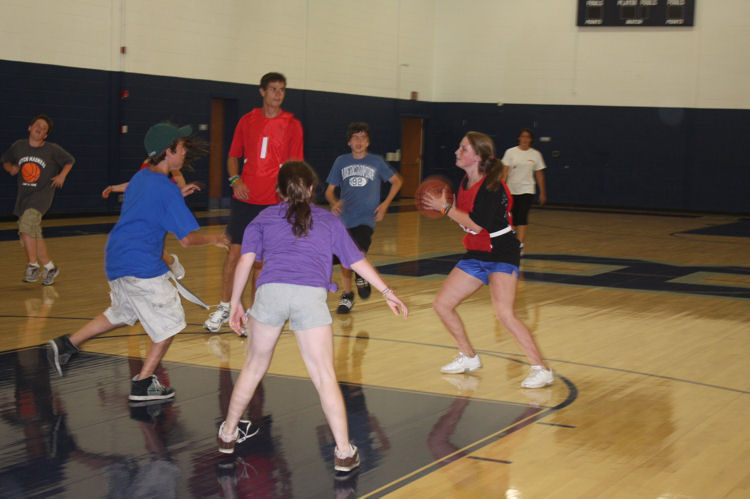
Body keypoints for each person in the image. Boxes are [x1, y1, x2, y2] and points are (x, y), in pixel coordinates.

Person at [217, 161, 407, 475]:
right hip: (310, 297)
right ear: (310, 189)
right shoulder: (329, 221)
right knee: (323, 376)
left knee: (252, 368)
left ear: (278, 191)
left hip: (271, 293)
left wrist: (235, 303)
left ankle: (227, 435)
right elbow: (356, 260)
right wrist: (386, 291)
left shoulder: (263, 217)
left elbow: (244, 261)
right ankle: (344, 453)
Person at [46, 123, 229, 402]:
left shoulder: (140, 179)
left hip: (117, 258)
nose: (184, 152)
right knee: (171, 322)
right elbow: (188, 240)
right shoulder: (166, 189)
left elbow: (147, 207)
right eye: (181, 147)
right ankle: (143, 384)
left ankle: (67, 344)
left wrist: (175, 198)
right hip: (141, 264)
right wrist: (217, 238)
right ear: (169, 151)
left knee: (121, 312)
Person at [423, 131, 553, 389]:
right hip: (476, 252)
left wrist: (446, 209)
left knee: (504, 314)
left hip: (502, 251)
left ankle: (541, 369)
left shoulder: (492, 187)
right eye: (459, 148)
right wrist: (449, 208)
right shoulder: (464, 182)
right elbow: (470, 226)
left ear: (479, 156)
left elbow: (476, 223)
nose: (457, 152)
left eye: (463, 149)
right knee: (442, 304)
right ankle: (469, 357)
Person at [204, 72, 304, 333]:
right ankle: (225, 306)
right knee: (234, 255)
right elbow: (232, 156)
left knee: (260, 261)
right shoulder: (247, 121)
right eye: (273, 89)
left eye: (282, 89)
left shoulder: (293, 125)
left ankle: (252, 314)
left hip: (274, 203)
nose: (278, 94)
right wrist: (236, 180)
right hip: (244, 200)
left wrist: (287, 192)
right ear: (262, 91)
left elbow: (296, 166)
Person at [325, 122, 403, 314]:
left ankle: (361, 276)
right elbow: (329, 191)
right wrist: (333, 202)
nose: (359, 142)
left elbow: (397, 181)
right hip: (344, 218)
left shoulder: (376, 162)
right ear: (349, 142)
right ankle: (348, 294)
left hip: (365, 219)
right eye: (355, 138)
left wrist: (385, 204)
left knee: (358, 250)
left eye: (363, 138)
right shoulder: (341, 162)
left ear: (368, 142)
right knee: (344, 258)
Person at [2, 114, 75, 286]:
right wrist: (11, 168)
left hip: (41, 196)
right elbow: (6, 160)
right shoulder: (18, 146)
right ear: (30, 127)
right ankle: (50, 267)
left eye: (44, 129)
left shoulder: (51, 149)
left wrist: (62, 176)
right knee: (32, 233)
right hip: (24, 197)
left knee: (27, 225)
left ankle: (33, 266)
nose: (40, 129)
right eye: (38, 125)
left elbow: (70, 160)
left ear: (45, 135)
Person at [101, 163, 200, 280]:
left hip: (163, 209)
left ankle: (170, 264)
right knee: (151, 247)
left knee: (154, 247)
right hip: (148, 209)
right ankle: (171, 262)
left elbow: (181, 184)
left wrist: (175, 196)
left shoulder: (169, 165)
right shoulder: (147, 167)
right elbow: (134, 185)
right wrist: (113, 188)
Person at [501, 128, 547, 255]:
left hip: (527, 189)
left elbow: (539, 175)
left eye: (527, 137)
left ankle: (519, 245)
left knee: (522, 216)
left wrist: (542, 192)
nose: (525, 139)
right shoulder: (510, 152)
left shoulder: (535, 154)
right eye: (522, 136)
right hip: (511, 190)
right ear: (519, 138)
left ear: (531, 139)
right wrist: (502, 189)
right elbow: (505, 172)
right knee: (512, 218)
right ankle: (512, 241)